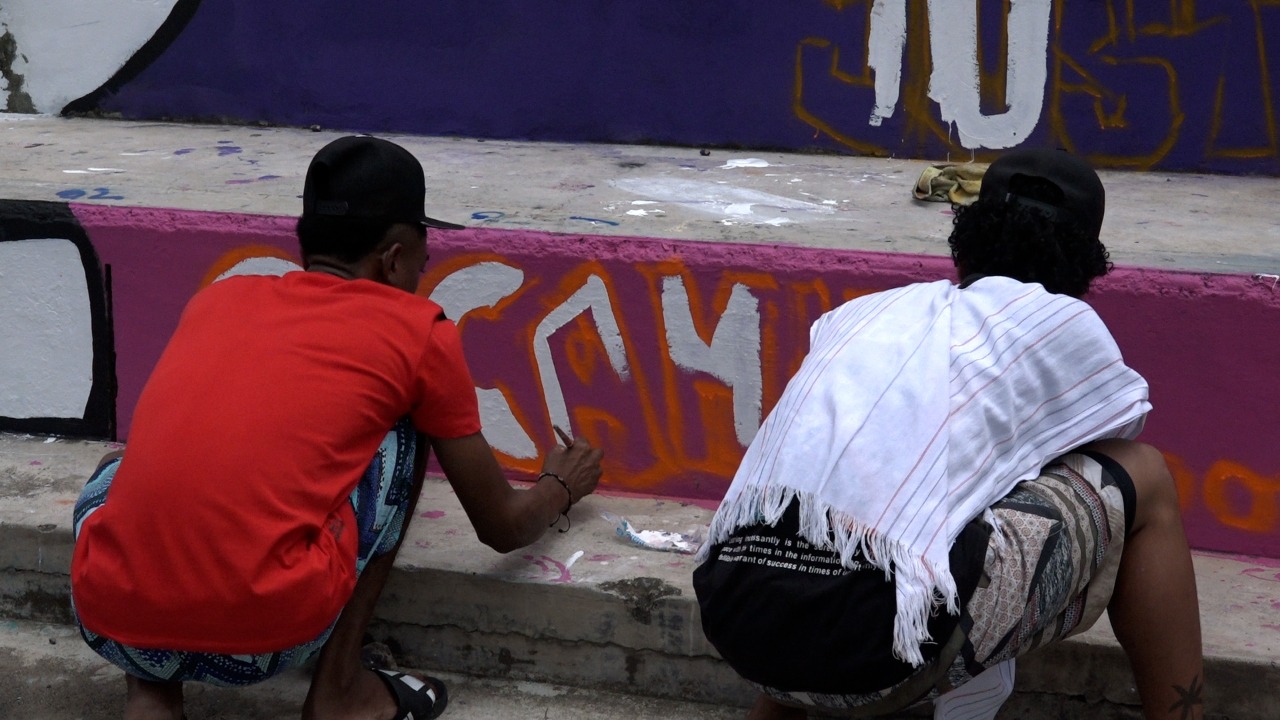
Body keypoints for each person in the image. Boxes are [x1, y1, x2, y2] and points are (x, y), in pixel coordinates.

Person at [70, 135, 604, 720]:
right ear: (393, 259)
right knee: (407, 428)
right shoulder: (417, 332)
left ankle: (151, 695)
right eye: (422, 263)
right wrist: (561, 485)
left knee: (119, 470)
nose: (421, 276)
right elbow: (501, 526)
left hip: (109, 622)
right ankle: (340, 693)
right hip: (262, 641)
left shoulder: (218, 299)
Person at [693, 149, 1203, 720]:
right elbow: (1107, 443)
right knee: (1145, 476)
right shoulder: (1064, 322)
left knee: (828, 518)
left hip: (736, 620)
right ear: (1086, 266)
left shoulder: (863, 313)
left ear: (966, 242)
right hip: (878, 659)